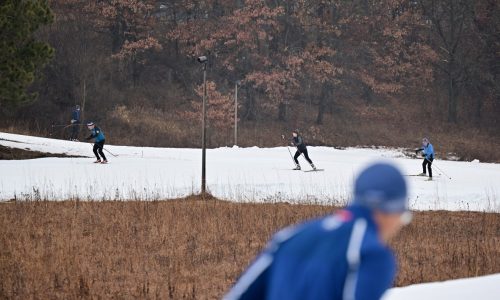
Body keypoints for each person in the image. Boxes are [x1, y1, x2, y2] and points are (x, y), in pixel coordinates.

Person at [224, 162, 412, 300]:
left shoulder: (290, 236)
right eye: (403, 215)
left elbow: (238, 295)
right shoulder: (371, 254)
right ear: (389, 211)